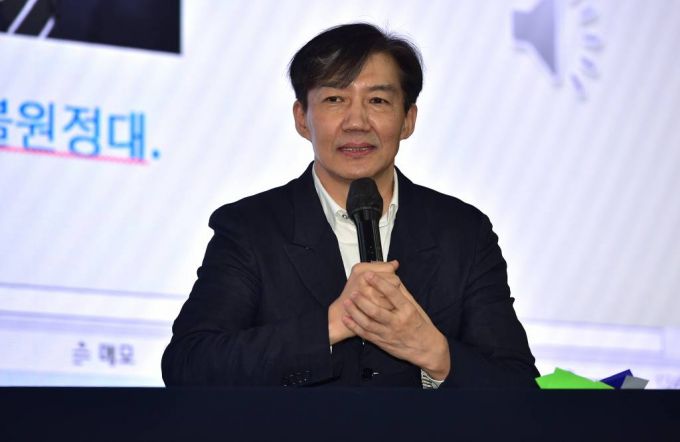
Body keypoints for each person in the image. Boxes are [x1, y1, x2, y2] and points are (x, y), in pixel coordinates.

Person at [162, 23, 539, 388]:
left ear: (408, 120)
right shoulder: (251, 228)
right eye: (334, 99)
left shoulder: (463, 232)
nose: (356, 122)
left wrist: (433, 351)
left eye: (377, 101)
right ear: (302, 118)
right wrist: (333, 323)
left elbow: (519, 388)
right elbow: (189, 364)